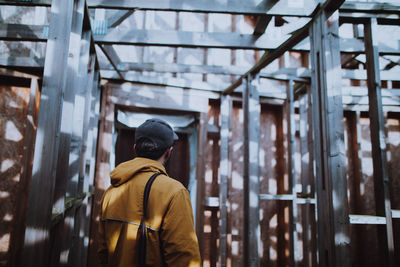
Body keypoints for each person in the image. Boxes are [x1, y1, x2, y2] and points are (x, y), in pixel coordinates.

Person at [98, 118, 201, 267]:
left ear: (135, 148)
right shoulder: (174, 193)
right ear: (168, 152)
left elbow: (103, 253)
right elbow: (184, 259)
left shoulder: (111, 192)